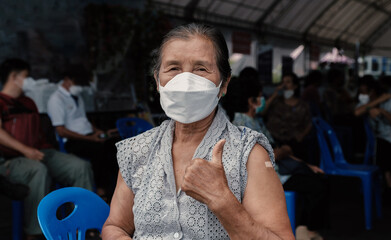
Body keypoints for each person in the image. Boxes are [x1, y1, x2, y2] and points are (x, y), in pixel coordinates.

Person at [102, 23, 294, 240]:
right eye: (173, 68)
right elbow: (115, 226)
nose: (185, 82)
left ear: (223, 84)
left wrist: (222, 199)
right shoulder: (136, 150)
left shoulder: (249, 154)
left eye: (201, 69)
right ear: (157, 81)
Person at [225, 70, 328, 240]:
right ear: (251, 101)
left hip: (277, 170)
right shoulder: (241, 125)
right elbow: (265, 155)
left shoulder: (254, 121)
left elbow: (275, 149)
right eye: (260, 96)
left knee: (318, 177)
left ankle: (306, 228)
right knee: (316, 185)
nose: (263, 100)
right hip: (265, 179)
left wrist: (307, 165)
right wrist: (283, 151)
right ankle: (306, 229)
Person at [0, 58, 94, 240]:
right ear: (14, 76)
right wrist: (26, 150)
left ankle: (85, 226)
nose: (31, 81)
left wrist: (36, 150)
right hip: (11, 160)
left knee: (79, 167)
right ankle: (36, 234)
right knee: (38, 171)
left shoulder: (29, 102)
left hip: (41, 152)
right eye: (27, 77)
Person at [47, 65, 119, 198]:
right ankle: (101, 191)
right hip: (72, 142)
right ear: (67, 80)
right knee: (98, 149)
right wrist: (91, 139)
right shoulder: (56, 99)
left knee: (116, 146)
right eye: (77, 83)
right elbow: (61, 131)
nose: (80, 87)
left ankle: (116, 189)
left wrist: (99, 132)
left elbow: (83, 120)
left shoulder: (77, 97)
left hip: (89, 136)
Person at [355, 76, 391, 204]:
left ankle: (390, 187)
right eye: (361, 92)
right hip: (381, 138)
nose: (363, 95)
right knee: (384, 147)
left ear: (373, 91)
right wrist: (376, 103)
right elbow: (357, 113)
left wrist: (382, 112)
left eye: (365, 92)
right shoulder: (366, 104)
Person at [265, 72, 313, 160]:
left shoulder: (302, 105)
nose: (284, 85)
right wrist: (275, 94)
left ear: (295, 86)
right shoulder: (276, 101)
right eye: (283, 82)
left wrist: (301, 136)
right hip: (273, 138)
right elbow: (262, 111)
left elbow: (308, 123)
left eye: (288, 82)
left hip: (293, 141)